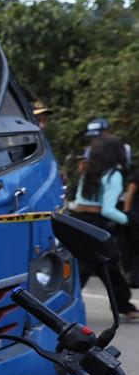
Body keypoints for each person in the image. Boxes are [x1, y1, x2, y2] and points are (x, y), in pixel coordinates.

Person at [71, 135, 139, 321]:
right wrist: (129, 220)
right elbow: (108, 209)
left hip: (77, 220)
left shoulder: (87, 169)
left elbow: (79, 200)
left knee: (106, 265)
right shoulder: (113, 175)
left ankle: (123, 305)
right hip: (96, 224)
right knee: (87, 267)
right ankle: (62, 306)